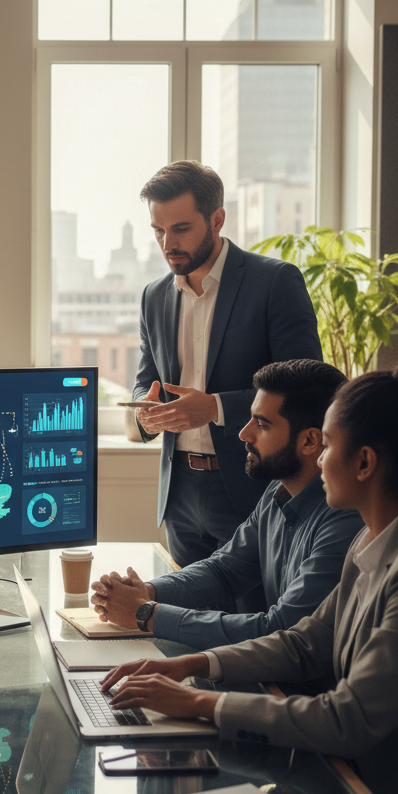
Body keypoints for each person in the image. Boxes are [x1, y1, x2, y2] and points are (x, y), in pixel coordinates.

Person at [102, 352, 398, 794]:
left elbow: (347, 720)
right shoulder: (377, 538)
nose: (320, 460)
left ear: (365, 462)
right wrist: (189, 666)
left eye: (328, 445)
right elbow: (304, 642)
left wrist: (199, 701)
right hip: (368, 793)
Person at [91, 359, 362, 649]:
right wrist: (147, 591)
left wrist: (146, 613)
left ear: (310, 441)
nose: (244, 434)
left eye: (261, 424)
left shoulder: (345, 521)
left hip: (304, 690)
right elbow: (225, 570)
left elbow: (280, 630)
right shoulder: (277, 492)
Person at [132, 160, 322, 570]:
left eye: (181, 229)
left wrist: (215, 408)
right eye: (158, 231)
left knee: (250, 624)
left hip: (251, 485)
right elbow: (145, 381)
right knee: (185, 624)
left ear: (217, 219)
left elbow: (309, 387)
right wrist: (145, 415)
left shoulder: (274, 282)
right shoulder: (153, 296)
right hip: (179, 492)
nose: (168, 243)